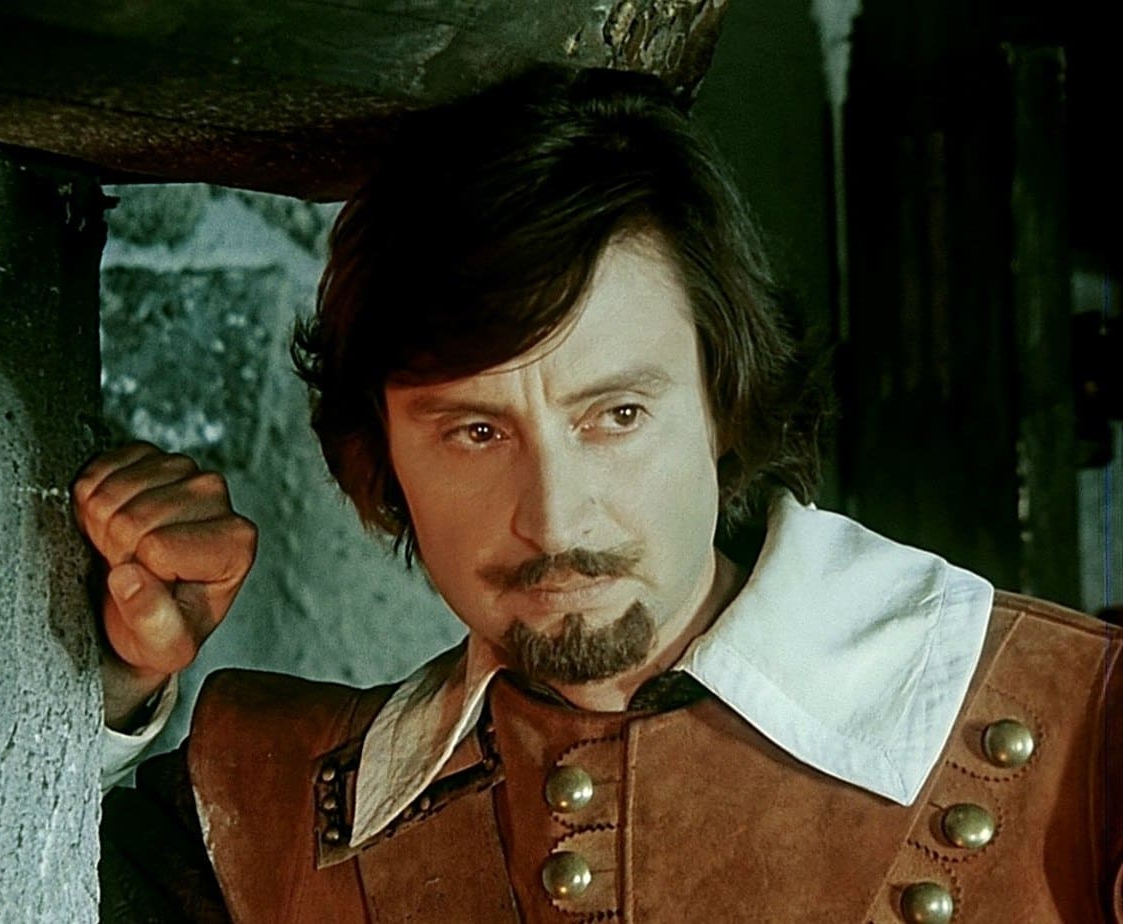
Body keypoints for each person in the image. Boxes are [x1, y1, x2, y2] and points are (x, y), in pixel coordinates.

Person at [80, 68, 1122, 923]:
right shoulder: (253, 818)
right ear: (384, 455)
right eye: (475, 432)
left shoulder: (1088, 736)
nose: (555, 517)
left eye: (615, 415)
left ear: (721, 402)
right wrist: (108, 680)